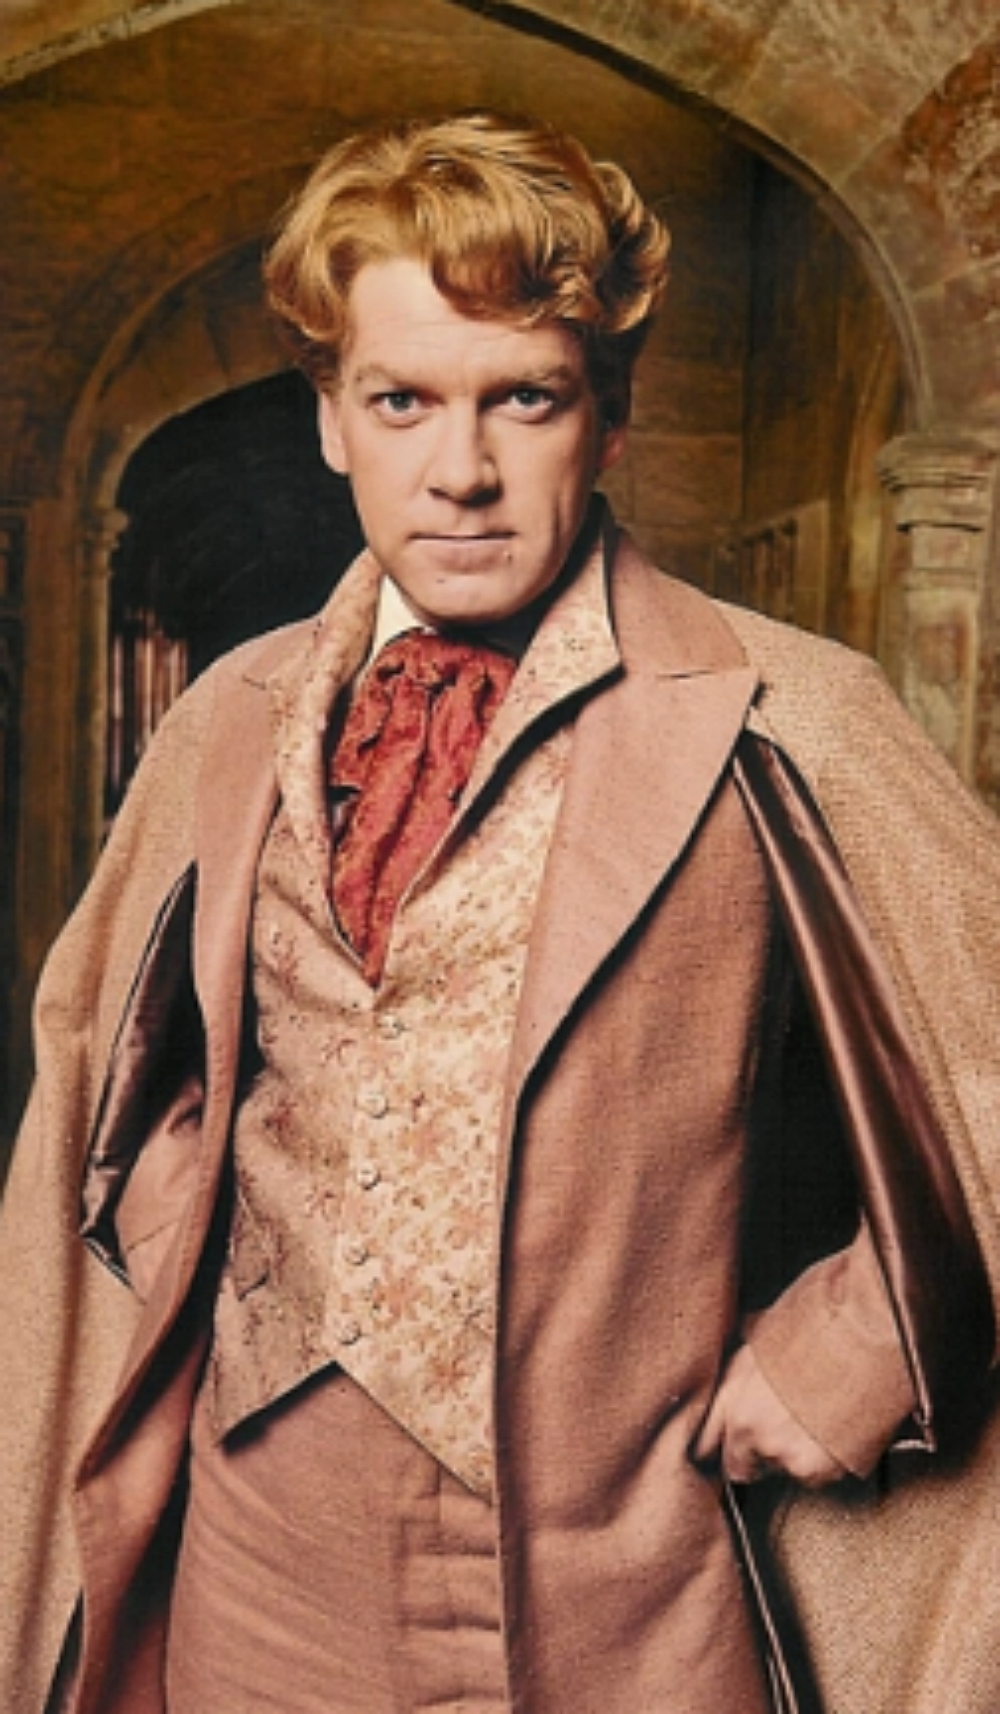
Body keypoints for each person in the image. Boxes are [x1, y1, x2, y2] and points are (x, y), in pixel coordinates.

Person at [1, 109, 1000, 1714]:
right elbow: (101, 1081)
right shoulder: (232, 715)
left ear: (608, 415)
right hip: (254, 1561)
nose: (459, 471)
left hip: (623, 1582)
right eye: (401, 401)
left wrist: (857, 1343)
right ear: (331, 419)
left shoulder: (787, 716)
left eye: (521, 398)